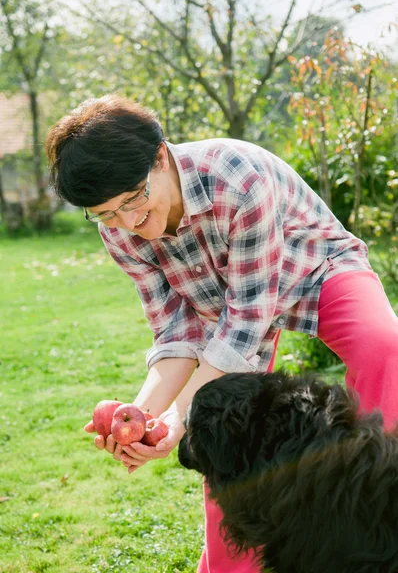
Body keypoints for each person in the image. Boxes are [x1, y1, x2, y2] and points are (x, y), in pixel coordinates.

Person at [46, 95, 398, 573]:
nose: (129, 224)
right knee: (222, 434)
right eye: (107, 215)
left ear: (161, 156)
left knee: (385, 346)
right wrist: (144, 414)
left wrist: (177, 419)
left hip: (313, 271)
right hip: (224, 309)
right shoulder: (120, 225)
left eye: (134, 200)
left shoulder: (238, 178)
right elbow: (175, 330)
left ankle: (375, 499)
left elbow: (247, 326)